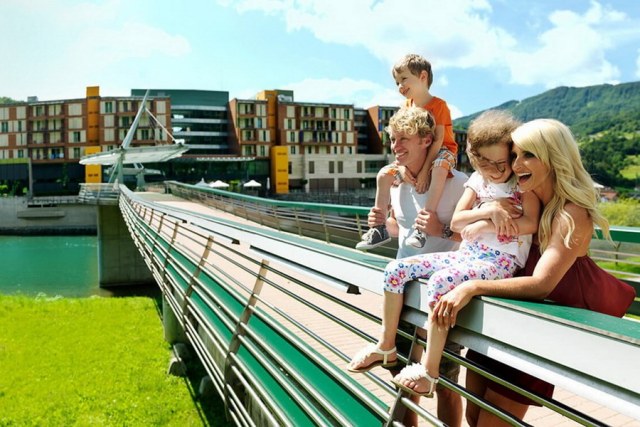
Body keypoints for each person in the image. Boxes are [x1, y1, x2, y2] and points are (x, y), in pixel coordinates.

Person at [428, 118, 637, 426]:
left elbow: (541, 284)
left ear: (554, 158)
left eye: (528, 155)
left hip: (538, 334)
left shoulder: (571, 213)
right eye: (514, 155)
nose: (516, 164)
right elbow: (477, 236)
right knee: (473, 417)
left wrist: (470, 287)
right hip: (503, 322)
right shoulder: (526, 202)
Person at [348, 106, 468, 427]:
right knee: (402, 379)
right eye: (392, 139)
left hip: (441, 297)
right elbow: (401, 229)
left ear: (427, 140)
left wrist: (442, 230)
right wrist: (380, 222)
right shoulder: (396, 183)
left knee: (445, 384)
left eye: (403, 139)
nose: (395, 146)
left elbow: (478, 239)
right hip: (404, 293)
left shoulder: (459, 184)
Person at [356, 53, 458, 251]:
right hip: (419, 158)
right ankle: (378, 228)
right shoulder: (405, 106)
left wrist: (424, 171)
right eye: (397, 82)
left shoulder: (438, 105)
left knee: (439, 167)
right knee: (384, 174)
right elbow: (400, 138)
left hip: (443, 151)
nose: (400, 86)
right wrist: (402, 169)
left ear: (423, 77)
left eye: (404, 79)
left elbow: (437, 140)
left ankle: (423, 226)